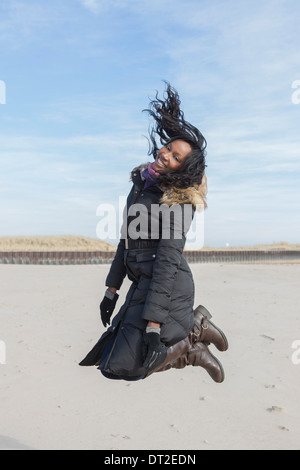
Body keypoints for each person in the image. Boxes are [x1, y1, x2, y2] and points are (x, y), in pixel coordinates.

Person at [79, 83, 228, 382]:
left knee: (131, 365)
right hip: (142, 281)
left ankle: (191, 341)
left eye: (175, 158)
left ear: (182, 170)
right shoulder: (142, 183)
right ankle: (192, 333)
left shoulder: (179, 199)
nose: (166, 156)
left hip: (168, 286)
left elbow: (167, 260)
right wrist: (111, 290)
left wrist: (154, 324)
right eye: (168, 148)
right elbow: (127, 241)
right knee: (111, 363)